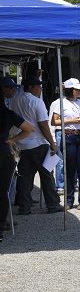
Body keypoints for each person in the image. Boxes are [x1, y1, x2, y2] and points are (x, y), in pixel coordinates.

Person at [11, 76, 62, 214]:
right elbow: (43, 125)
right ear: (30, 87)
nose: (40, 89)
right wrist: (52, 143)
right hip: (38, 142)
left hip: (22, 143)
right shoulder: (37, 102)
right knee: (47, 175)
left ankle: (24, 206)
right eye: (38, 86)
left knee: (24, 177)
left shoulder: (15, 100)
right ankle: (52, 204)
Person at [51, 79, 80, 209]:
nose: (79, 91)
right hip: (69, 135)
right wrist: (72, 120)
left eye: (79, 89)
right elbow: (54, 121)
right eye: (76, 89)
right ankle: (69, 200)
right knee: (69, 169)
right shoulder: (60, 103)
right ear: (69, 90)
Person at [1, 102, 34, 241]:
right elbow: (29, 129)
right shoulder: (7, 112)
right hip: (3, 153)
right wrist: (12, 140)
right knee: (2, 192)